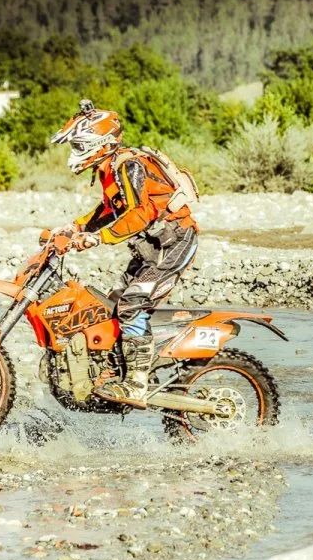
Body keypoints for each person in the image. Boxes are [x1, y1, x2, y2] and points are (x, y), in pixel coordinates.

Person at [40, 100, 199, 407]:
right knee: (111, 304)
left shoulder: (128, 165)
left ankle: (137, 385)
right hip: (153, 245)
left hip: (175, 241)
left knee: (131, 305)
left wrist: (97, 238)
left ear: (98, 143)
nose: (75, 151)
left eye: (78, 144)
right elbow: (109, 209)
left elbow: (139, 214)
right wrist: (74, 228)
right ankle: (111, 372)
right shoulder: (109, 170)